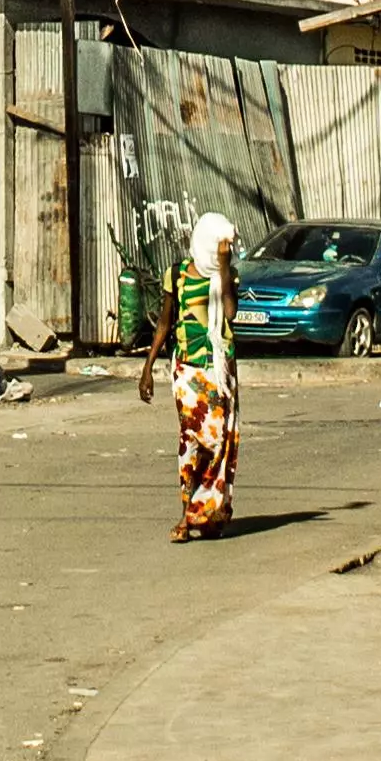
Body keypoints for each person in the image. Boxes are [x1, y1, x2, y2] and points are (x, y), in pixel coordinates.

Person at [140, 211, 242, 541]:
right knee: (195, 441)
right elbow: (165, 323)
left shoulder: (228, 276)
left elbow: (229, 312)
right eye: (220, 247)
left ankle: (207, 515)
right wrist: (147, 368)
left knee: (221, 442)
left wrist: (224, 268)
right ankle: (188, 515)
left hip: (220, 371)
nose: (224, 251)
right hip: (187, 371)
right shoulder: (178, 275)